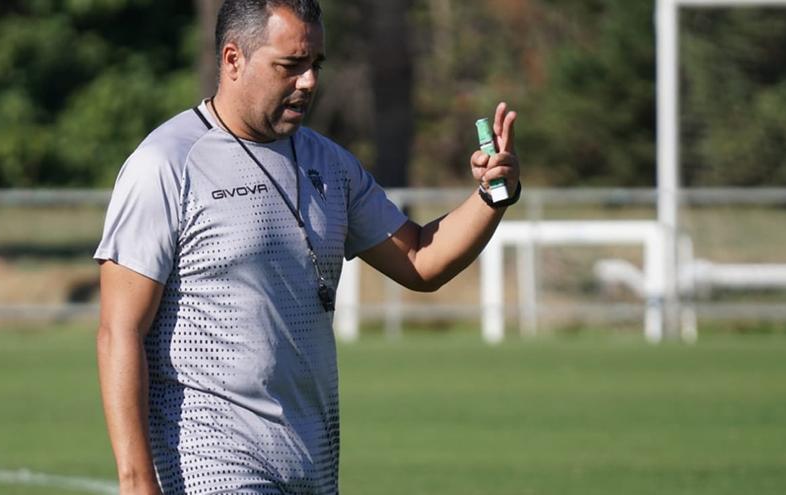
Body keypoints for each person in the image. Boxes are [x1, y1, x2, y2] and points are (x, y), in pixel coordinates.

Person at [94, 0, 520, 493]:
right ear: (233, 59)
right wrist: (135, 479)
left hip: (310, 466)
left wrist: (492, 196)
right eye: (289, 66)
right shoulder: (166, 164)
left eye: (315, 65)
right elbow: (119, 330)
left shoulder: (330, 164)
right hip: (208, 466)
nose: (309, 82)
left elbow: (421, 260)